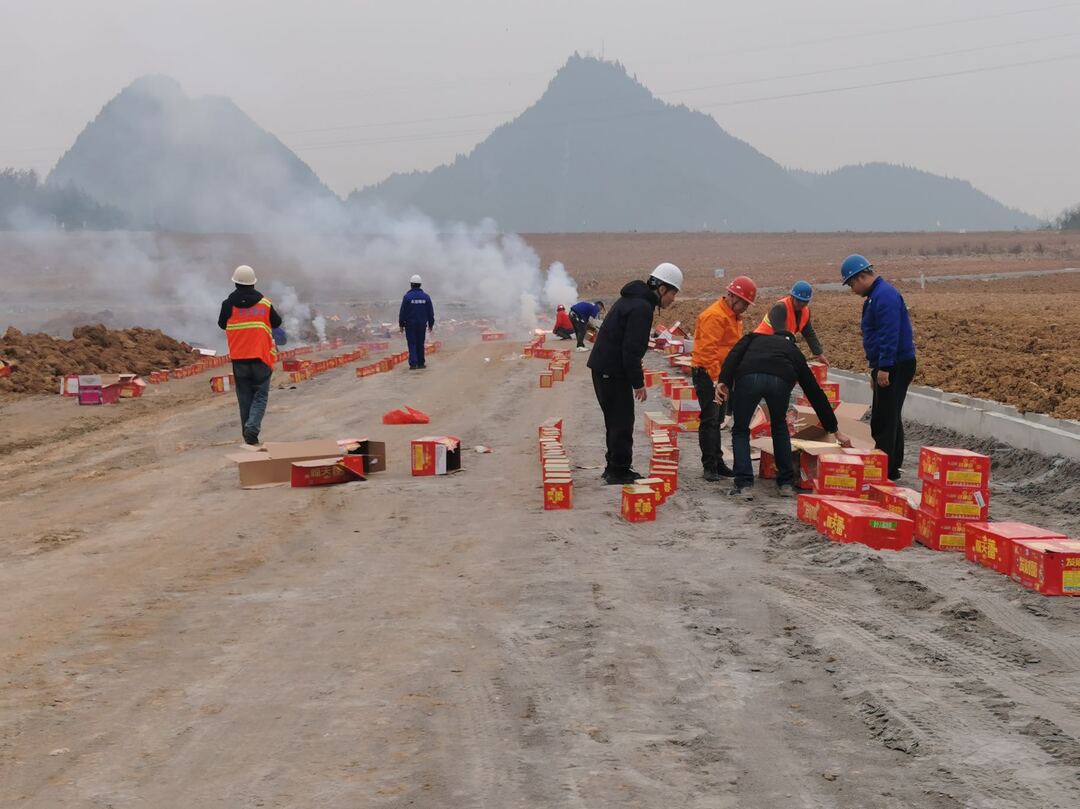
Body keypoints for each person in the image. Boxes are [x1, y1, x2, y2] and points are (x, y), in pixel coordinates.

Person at [718, 330, 851, 500]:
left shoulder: (754, 337)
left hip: (749, 377)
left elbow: (733, 355)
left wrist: (724, 381)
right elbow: (814, 392)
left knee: (741, 430)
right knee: (779, 427)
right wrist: (834, 429)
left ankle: (744, 484)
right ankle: (786, 484)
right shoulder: (793, 351)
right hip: (779, 382)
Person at [588, 262, 682, 485]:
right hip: (612, 370)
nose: (673, 300)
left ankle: (614, 467)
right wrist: (638, 382)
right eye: (673, 294)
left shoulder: (633, 300)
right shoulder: (641, 308)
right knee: (621, 421)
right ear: (661, 289)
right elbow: (630, 349)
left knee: (615, 420)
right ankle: (619, 471)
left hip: (604, 368)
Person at [841, 254, 916, 481]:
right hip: (888, 364)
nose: (853, 289)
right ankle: (891, 466)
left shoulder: (885, 296)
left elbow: (888, 335)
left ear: (862, 276)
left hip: (896, 364)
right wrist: (875, 369)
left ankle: (883, 469)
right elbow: (875, 336)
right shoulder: (875, 297)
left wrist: (884, 368)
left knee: (884, 419)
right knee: (889, 414)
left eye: (852, 284)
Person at [690, 275, 757, 481]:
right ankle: (709, 466)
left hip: (722, 376)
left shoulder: (733, 317)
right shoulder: (715, 316)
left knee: (717, 419)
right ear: (732, 297)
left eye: (747, 305)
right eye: (744, 304)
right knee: (710, 419)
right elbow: (708, 350)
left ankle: (718, 463)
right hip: (708, 374)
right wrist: (716, 381)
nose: (745, 308)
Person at [217, 264, 282, 446]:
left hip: (239, 359)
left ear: (235, 283)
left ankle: (248, 435)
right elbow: (277, 322)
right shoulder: (264, 304)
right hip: (261, 358)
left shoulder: (228, 304)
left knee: (244, 397)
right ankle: (252, 428)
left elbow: (222, 324)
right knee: (260, 395)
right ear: (253, 283)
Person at [753, 280, 827, 364]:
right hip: (760, 345)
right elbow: (782, 337)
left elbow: (809, 334)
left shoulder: (805, 312)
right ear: (792, 297)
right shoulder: (780, 308)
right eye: (798, 300)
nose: (801, 304)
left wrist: (819, 354)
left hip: (774, 345)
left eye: (805, 302)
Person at [399, 274, 435, 370]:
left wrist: (401, 324)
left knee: (412, 343)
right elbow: (430, 312)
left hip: (410, 325)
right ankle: (421, 363)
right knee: (420, 343)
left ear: (411, 284)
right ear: (420, 284)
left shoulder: (407, 297)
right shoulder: (426, 297)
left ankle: (413, 364)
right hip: (422, 324)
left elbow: (402, 312)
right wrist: (431, 324)